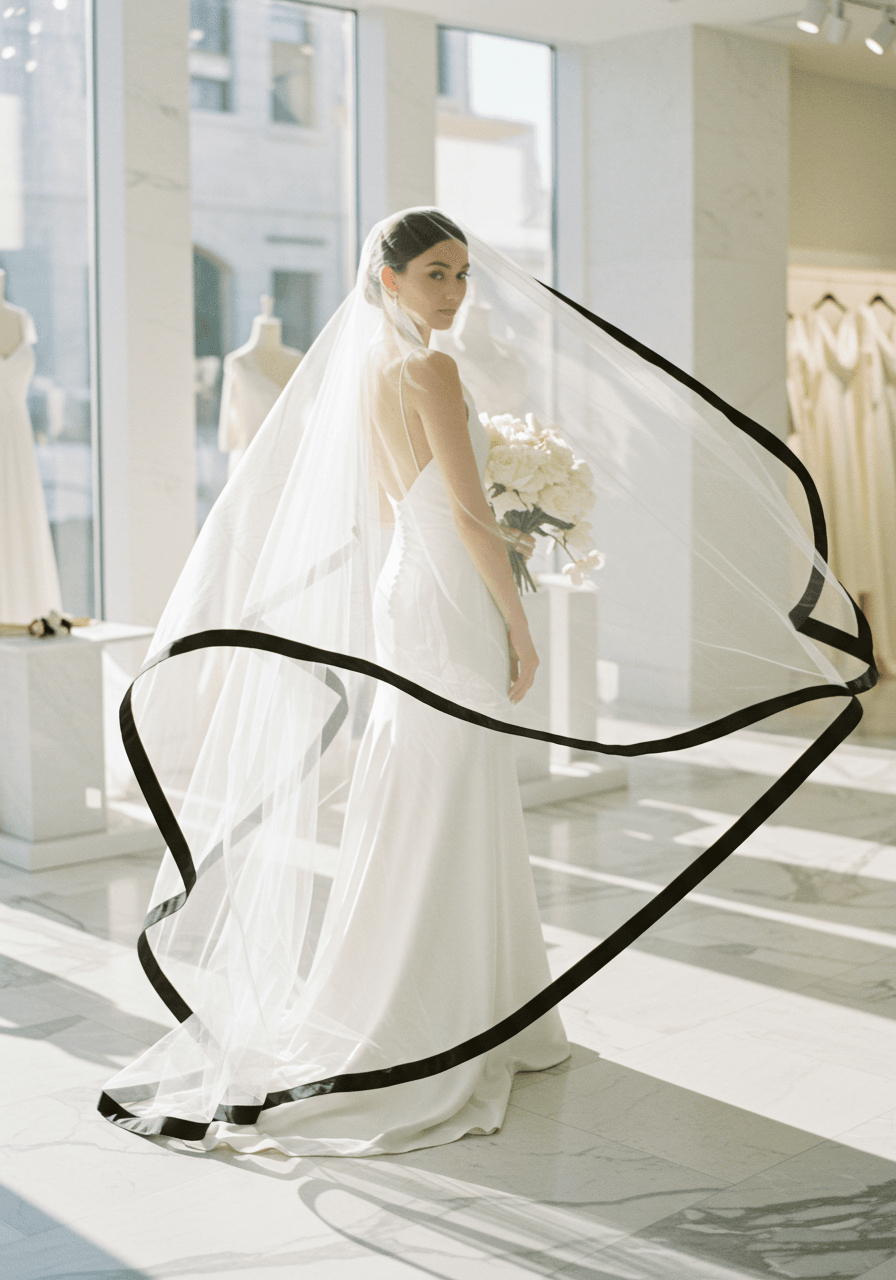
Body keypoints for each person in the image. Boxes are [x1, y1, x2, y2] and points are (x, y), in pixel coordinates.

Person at [99, 209, 872, 1156]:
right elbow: (466, 513)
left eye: (462, 273)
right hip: (450, 594)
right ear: (388, 279)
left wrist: (505, 530)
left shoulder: (375, 374)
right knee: (448, 780)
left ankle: (480, 1003)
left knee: (431, 781)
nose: (456, 292)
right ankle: (437, 1019)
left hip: (408, 587)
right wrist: (517, 620)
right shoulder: (427, 368)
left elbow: (413, 505)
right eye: (435, 273)